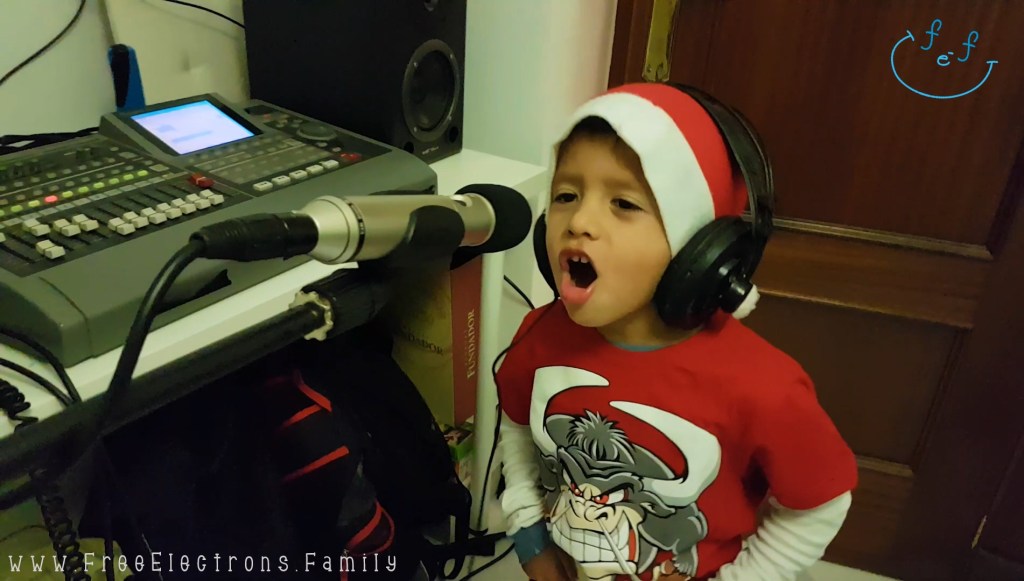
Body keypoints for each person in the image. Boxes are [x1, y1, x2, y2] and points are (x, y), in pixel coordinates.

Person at [494, 82, 858, 581]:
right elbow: (516, 424)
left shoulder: (764, 387)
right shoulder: (539, 334)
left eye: (623, 203)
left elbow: (820, 504)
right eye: (566, 195)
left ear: (699, 247)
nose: (579, 220)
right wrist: (530, 537)